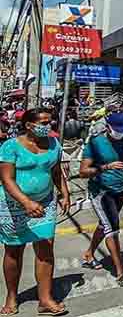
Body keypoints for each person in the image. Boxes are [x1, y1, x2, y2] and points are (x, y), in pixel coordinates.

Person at [0, 108, 70, 317]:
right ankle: (12, 296)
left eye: (50, 121)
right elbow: (7, 179)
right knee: (14, 250)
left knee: (46, 249)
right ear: (29, 125)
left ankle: (45, 299)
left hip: (45, 202)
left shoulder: (54, 144)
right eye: (44, 122)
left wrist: (64, 193)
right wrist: (26, 202)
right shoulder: (10, 146)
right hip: (13, 206)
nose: (48, 125)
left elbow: (56, 171)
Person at [79, 111, 123, 287]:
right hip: (101, 191)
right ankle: (121, 272)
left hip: (120, 188)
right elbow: (83, 172)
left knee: (104, 224)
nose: (120, 133)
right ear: (108, 126)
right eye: (117, 129)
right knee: (112, 228)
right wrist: (106, 167)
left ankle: (89, 254)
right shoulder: (96, 142)